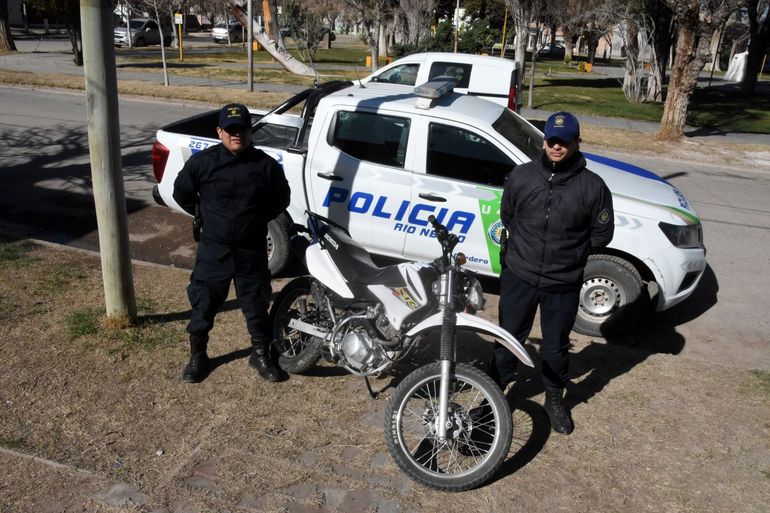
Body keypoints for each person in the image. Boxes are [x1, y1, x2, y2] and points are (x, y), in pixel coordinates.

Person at [492, 111, 614, 434]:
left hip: (563, 283)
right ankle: (493, 392)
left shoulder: (593, 187)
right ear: (544, 140)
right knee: (508, 337)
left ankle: (555, 397)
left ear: (577, 142)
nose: (556, 146)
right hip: (520, 274)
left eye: (564, 141)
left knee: (555, 346)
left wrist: (569, 254)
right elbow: (508, 217)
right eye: (552, 140)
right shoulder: (521, 177)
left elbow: (602, 235)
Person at [173, 103, 291, 383]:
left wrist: (255, 219)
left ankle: (260, 354)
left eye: (242, 129)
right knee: (204, 303)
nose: (236, 134)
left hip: (251, 251)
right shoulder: (203, 163)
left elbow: (281, 199)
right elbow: (182, 193)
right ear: (220, 132)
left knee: (256, 305)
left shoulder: (265, 165)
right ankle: (198, 356)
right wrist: (205, 216)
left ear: (251, 131)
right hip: (215, 250)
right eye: (230, 129)